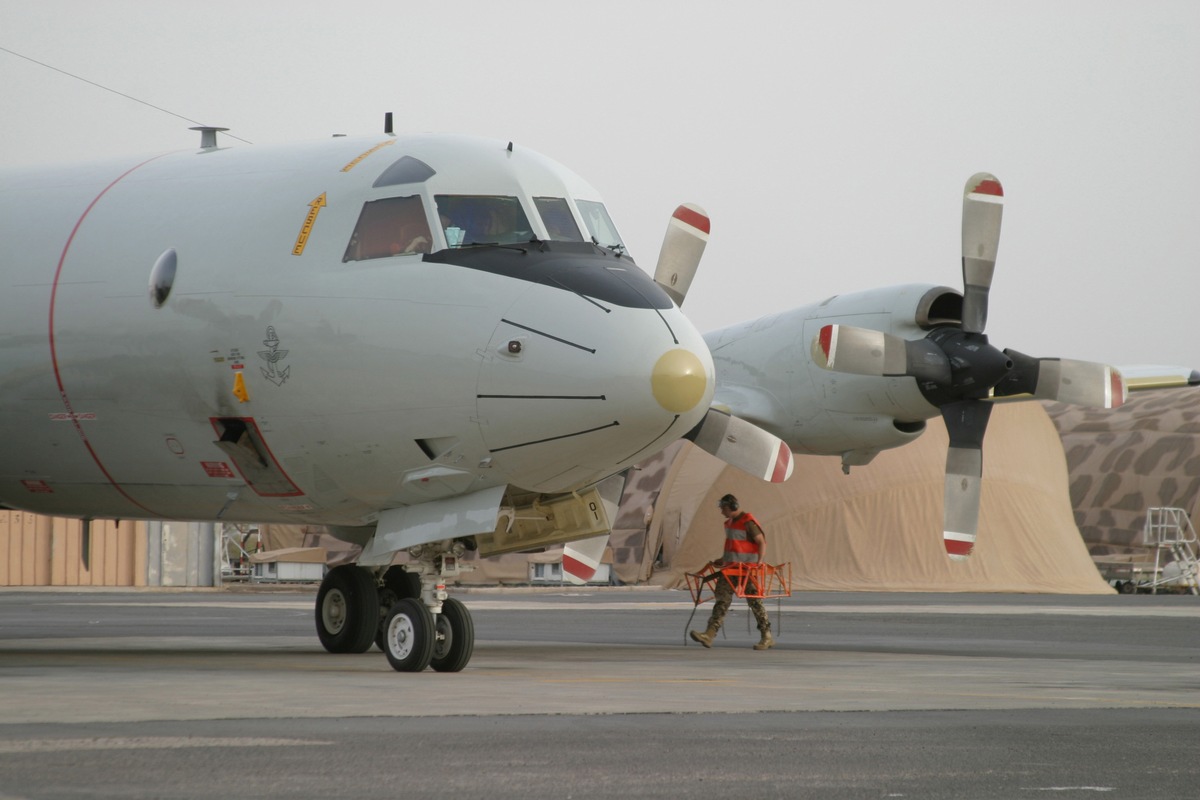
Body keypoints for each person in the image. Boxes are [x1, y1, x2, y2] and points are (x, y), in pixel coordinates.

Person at [689, 494, 774, 651]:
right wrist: (723, 560)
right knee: (722, 599)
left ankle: (766, 636)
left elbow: (761, 541)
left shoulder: (747, 521)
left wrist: (759, 563)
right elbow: (734, 547)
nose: (722, 511)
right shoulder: (729, 523)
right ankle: (709, 634)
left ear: (732, 507)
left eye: (724, 508)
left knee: (754, 602)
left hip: (747, 570)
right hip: (730, 570)